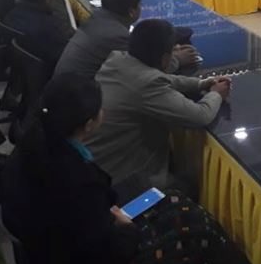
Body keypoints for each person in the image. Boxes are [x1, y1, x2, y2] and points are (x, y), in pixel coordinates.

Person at [1, 74, 249, 264]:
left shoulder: (34, 140)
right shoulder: (75, 179)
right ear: (89, 123)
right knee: (198, 229)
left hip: (58, 246)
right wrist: (127, 228)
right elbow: (109, 255)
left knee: (172, 198)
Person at [86, 19, 231, 188]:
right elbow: (200, 115)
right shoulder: (147, 85)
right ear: (165, 58)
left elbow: (162, 78)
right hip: (119, 179)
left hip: (93, 165)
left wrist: (200, 84)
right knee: (191, 186)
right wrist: (216, 94)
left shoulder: (117, 59)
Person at [54, 0, 199, 80]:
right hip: (80, 105)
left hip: (67, 93)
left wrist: (169, 49)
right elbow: (146, 71)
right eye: (140, 4)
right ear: (131, 11)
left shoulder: (96, 19)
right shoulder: (116, 36)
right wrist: (177, 59)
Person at [4, 0, 69, 74]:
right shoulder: (48, 26)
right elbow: (66, 57)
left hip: (25, 73)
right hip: (52, 74)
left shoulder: (11, 14)